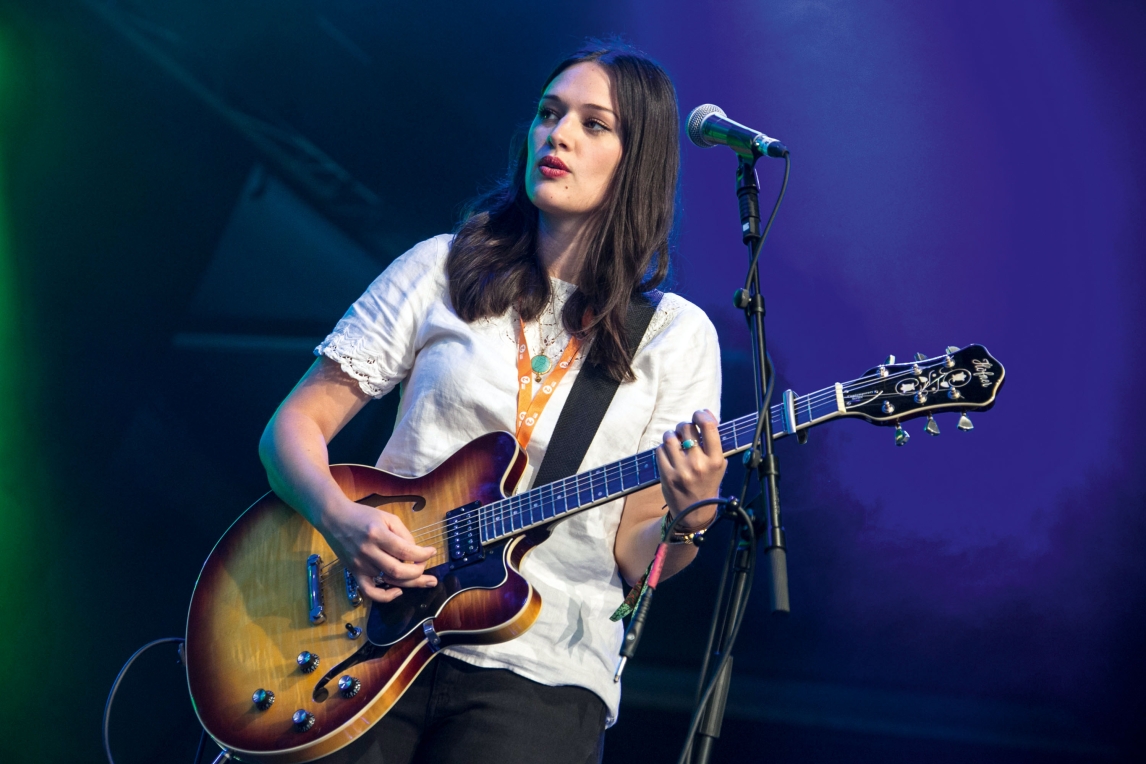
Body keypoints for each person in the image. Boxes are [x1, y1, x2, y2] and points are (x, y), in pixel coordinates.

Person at [259, 40, 725, 764]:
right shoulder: (442, 267)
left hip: (541, 680)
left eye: (593, 124)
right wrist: (341, 518)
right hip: (367, 640)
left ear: (639, 161)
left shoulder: (675, 335)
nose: (558, 134)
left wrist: (691, 513)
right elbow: (293, 427)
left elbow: (639, 557)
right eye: (549, 113)